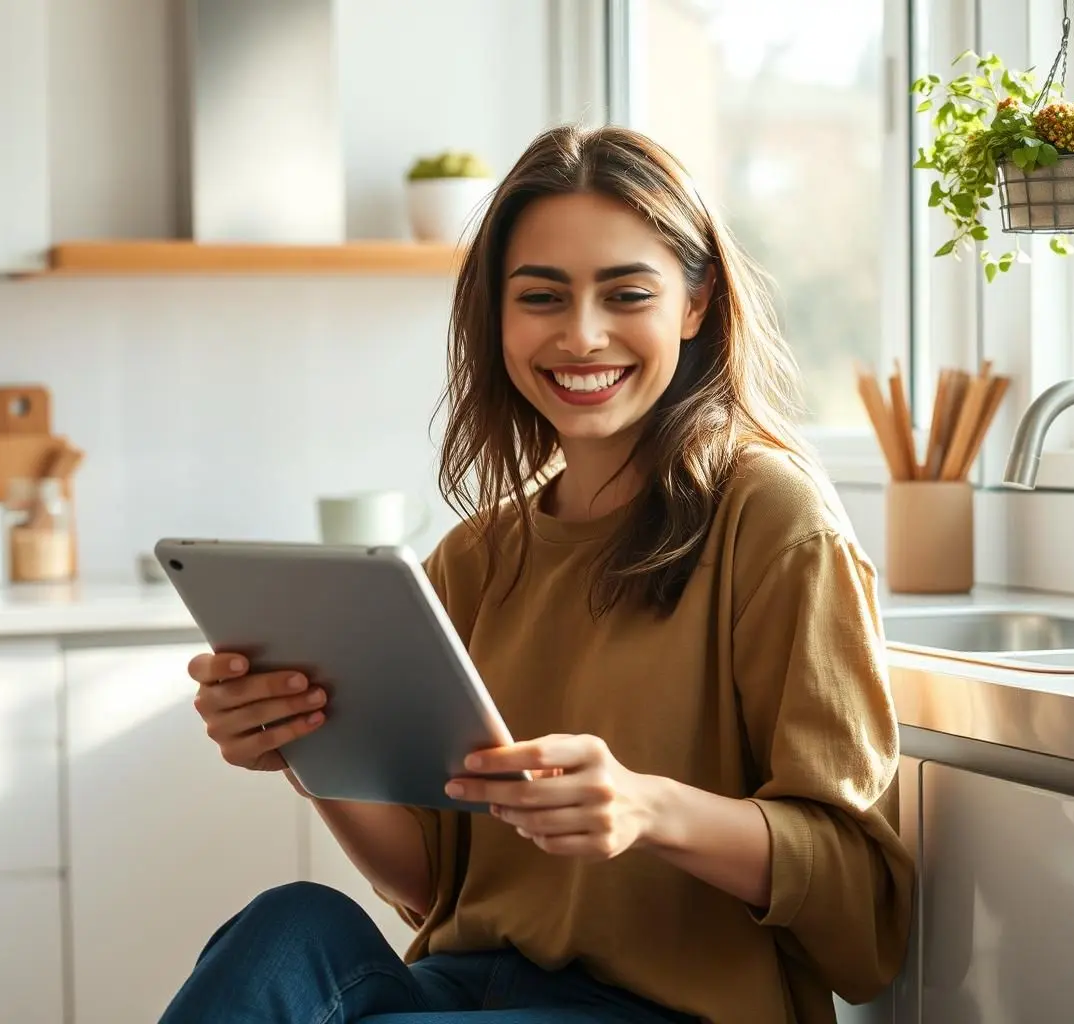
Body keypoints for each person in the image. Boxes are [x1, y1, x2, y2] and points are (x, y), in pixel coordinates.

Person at [160, 123, 915, 1024]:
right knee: (288, 926)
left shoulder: (771, 519)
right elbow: (432, 883)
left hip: (665, 1010)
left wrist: (649, 808)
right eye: (542, 297)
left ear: (696, 302)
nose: (582, 336)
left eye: (627, 292)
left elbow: (865, 912)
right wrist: (301, 743)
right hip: (465, 990)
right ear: (499, 316)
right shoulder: (475, 560)